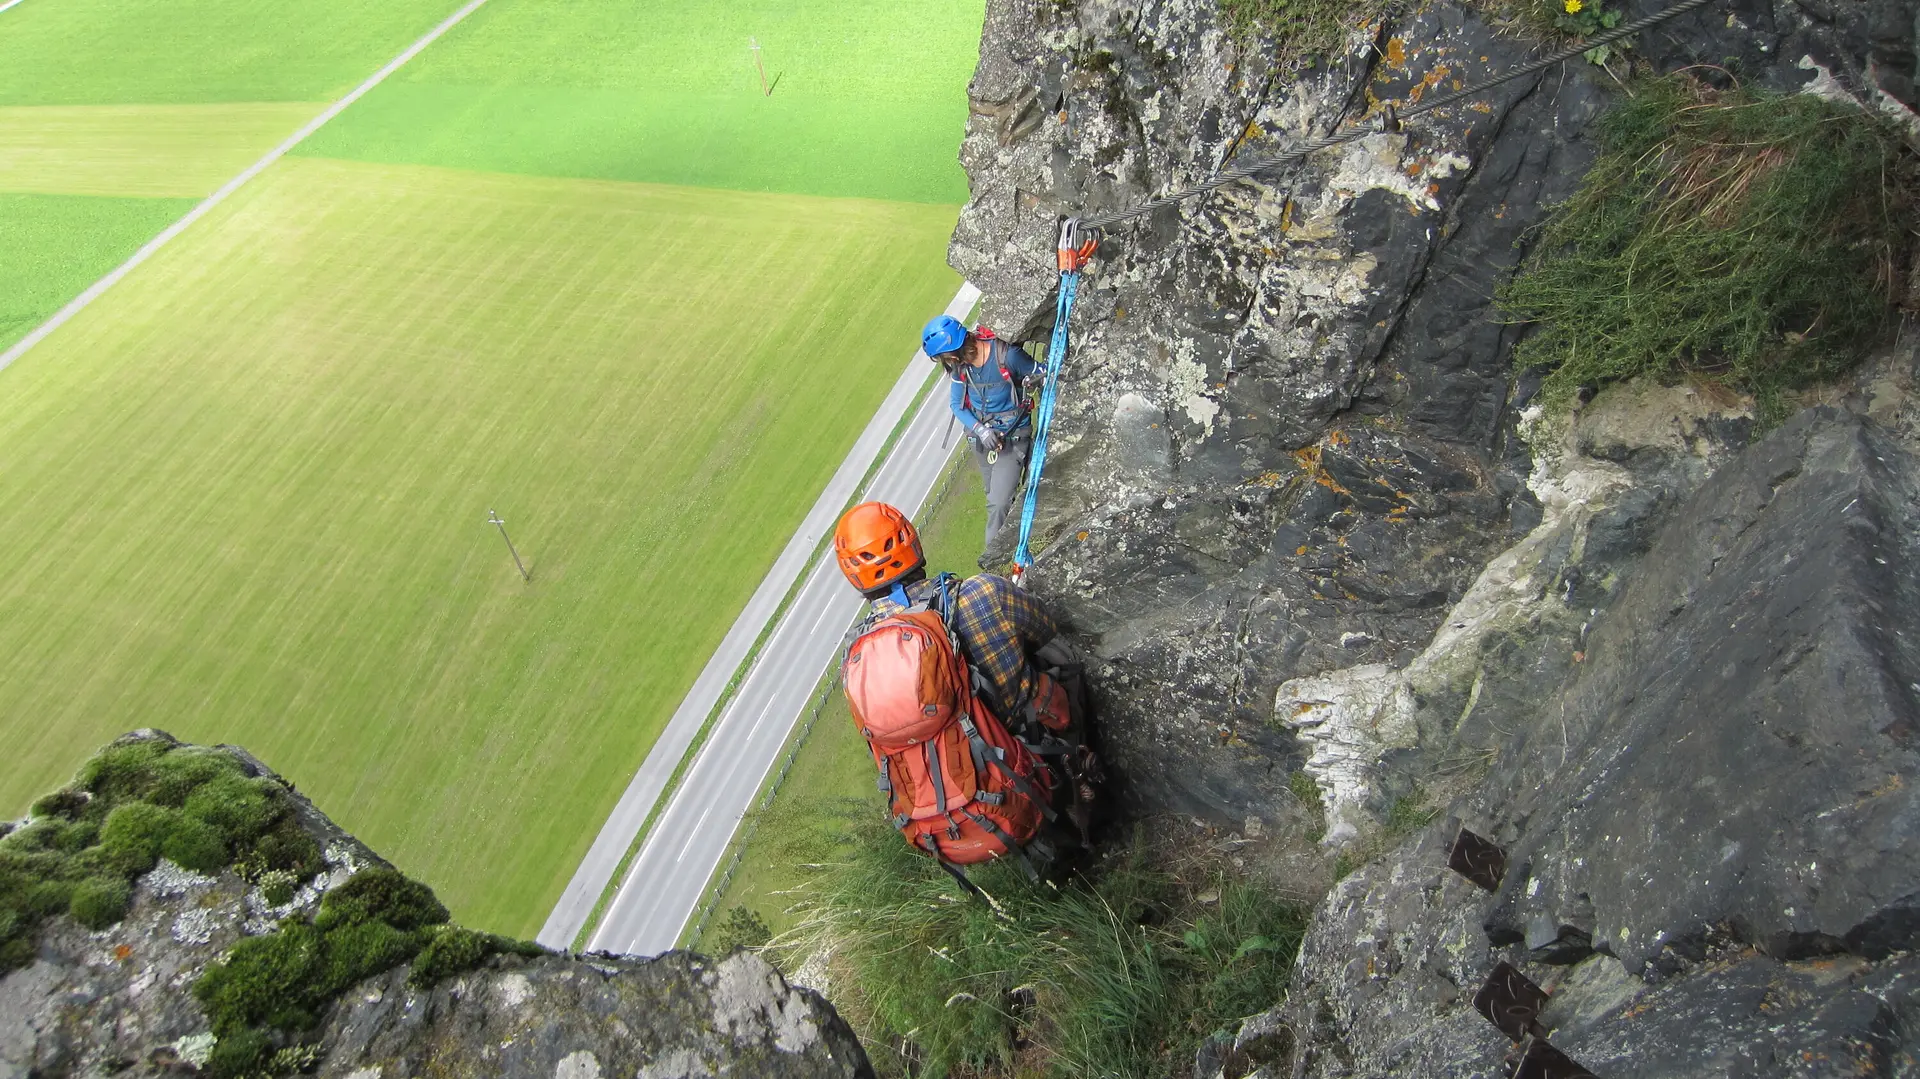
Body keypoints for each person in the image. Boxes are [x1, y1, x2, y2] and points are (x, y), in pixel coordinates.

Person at [832, 501, 1101, 861]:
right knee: (1060, 656)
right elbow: (1045, 627)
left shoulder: (856, 658)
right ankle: (1086, 774)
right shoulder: (983, 593)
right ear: (913, 545)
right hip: (1033, 751)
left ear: (854, 578)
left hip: (961, 789)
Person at [922, 315, 1040, 555]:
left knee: (998, 503)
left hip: (1012, 436)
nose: (948, 363)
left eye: (946, 358)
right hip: (983, 440)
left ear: (954, 351)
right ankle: (1012, 546)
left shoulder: (1006, 356)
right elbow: (957, 405)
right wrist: (981, 430)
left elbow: (1040, 373)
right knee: (992, 498)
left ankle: (993, 559)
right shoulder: (961, 369)